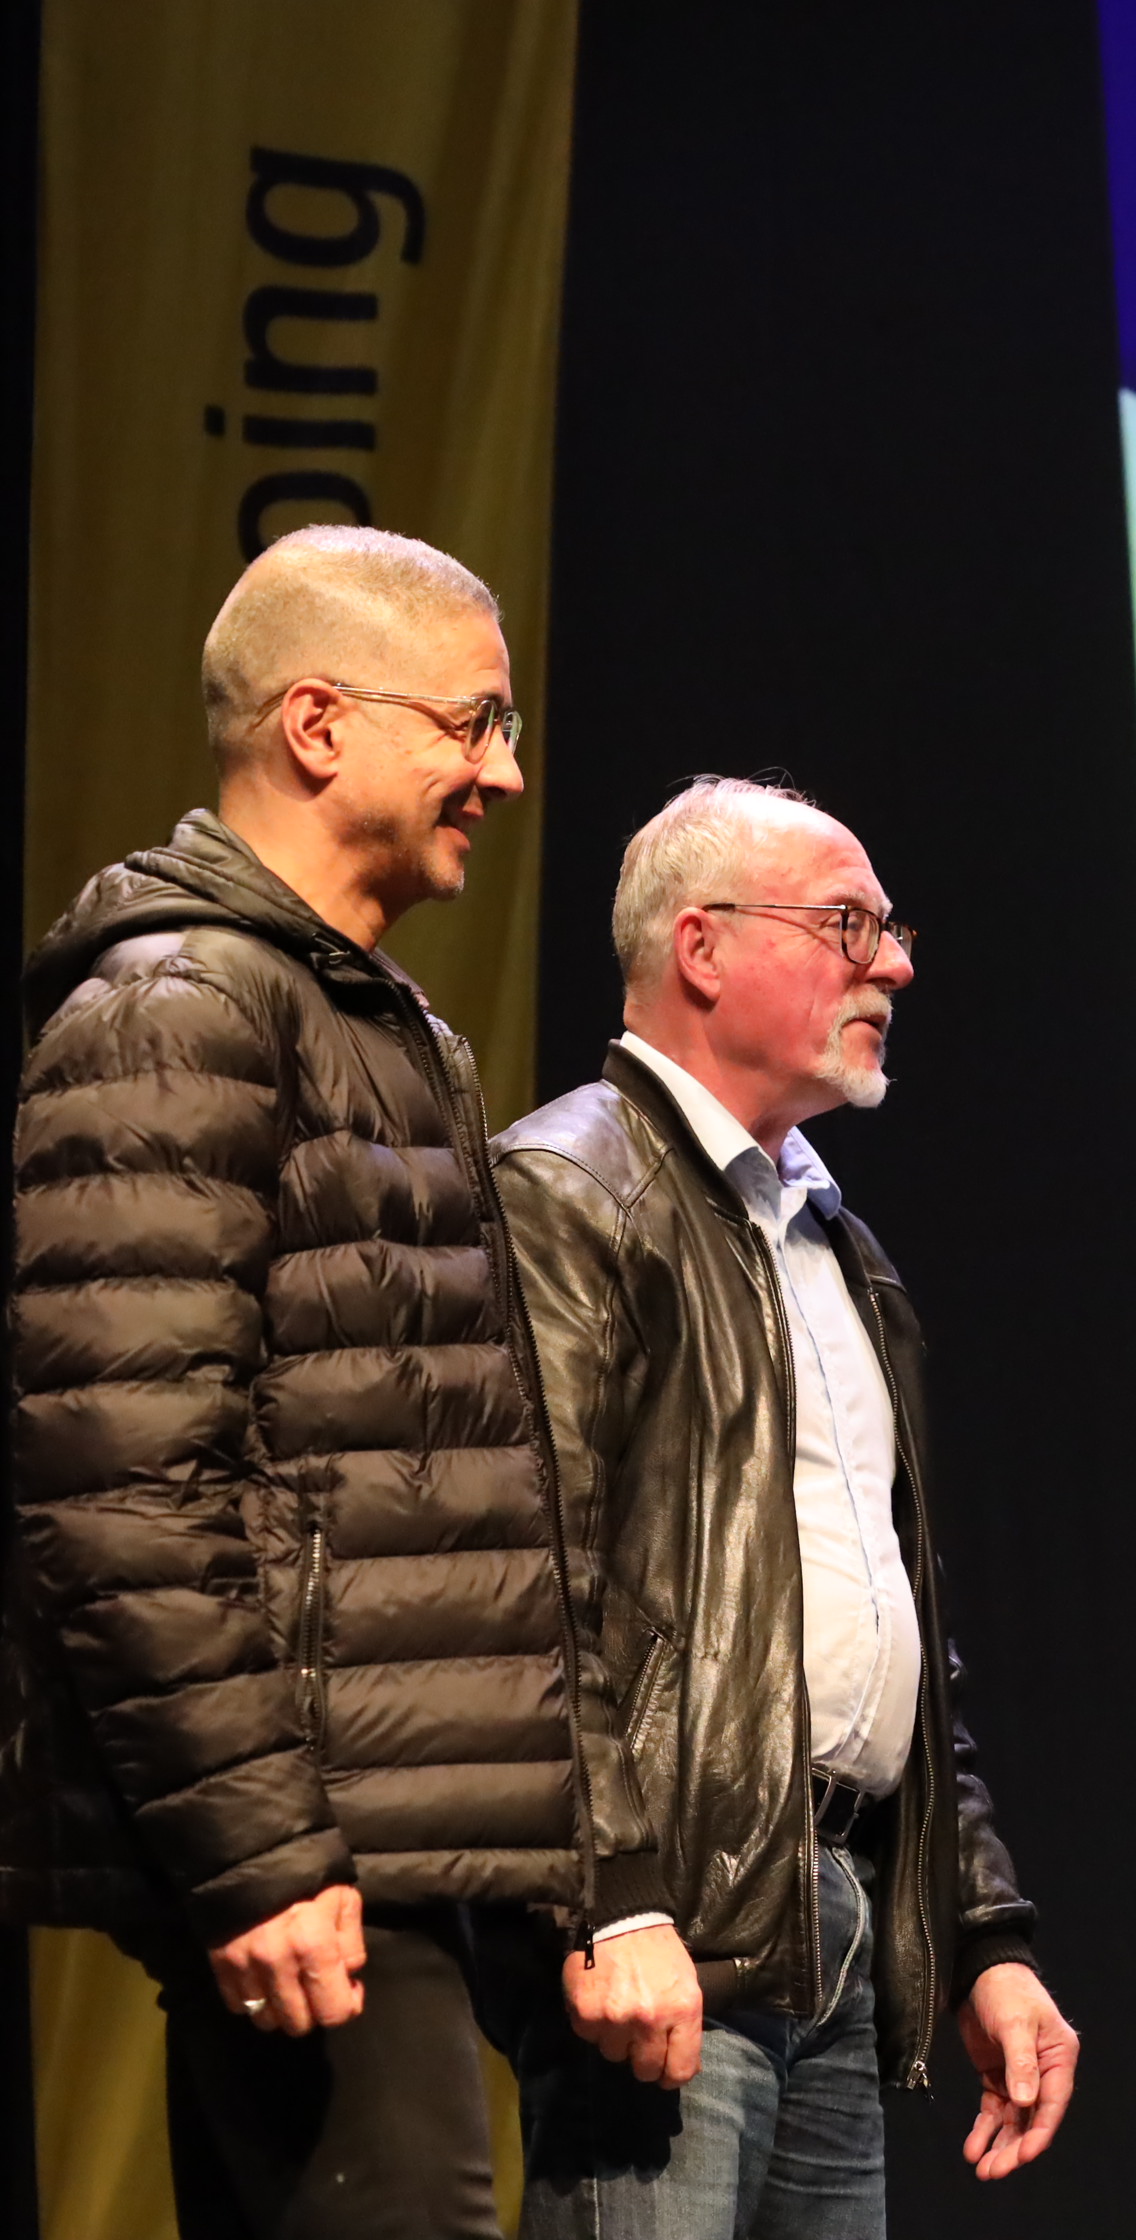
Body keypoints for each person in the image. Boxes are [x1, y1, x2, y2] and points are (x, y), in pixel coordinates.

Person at [5, 525, 579, 2237]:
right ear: (318, 725)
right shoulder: (178, 1009)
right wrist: (258, 1851)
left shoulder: (364, 1017)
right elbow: (116, 1484)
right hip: (307, 1838)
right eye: (472, 725)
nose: (507, 774)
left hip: (385, 1827)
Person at [485, 777, 1077, 2236]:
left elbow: (896, 1622)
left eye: (889, 930)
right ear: (701, 946)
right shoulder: (568, 1193)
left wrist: (980, 1930)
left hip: (834, 1923)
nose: (897, 965)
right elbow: (522, 1591)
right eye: (849, 927)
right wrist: (610, 1899)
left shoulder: (839, 1249)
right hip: (669, 1928)